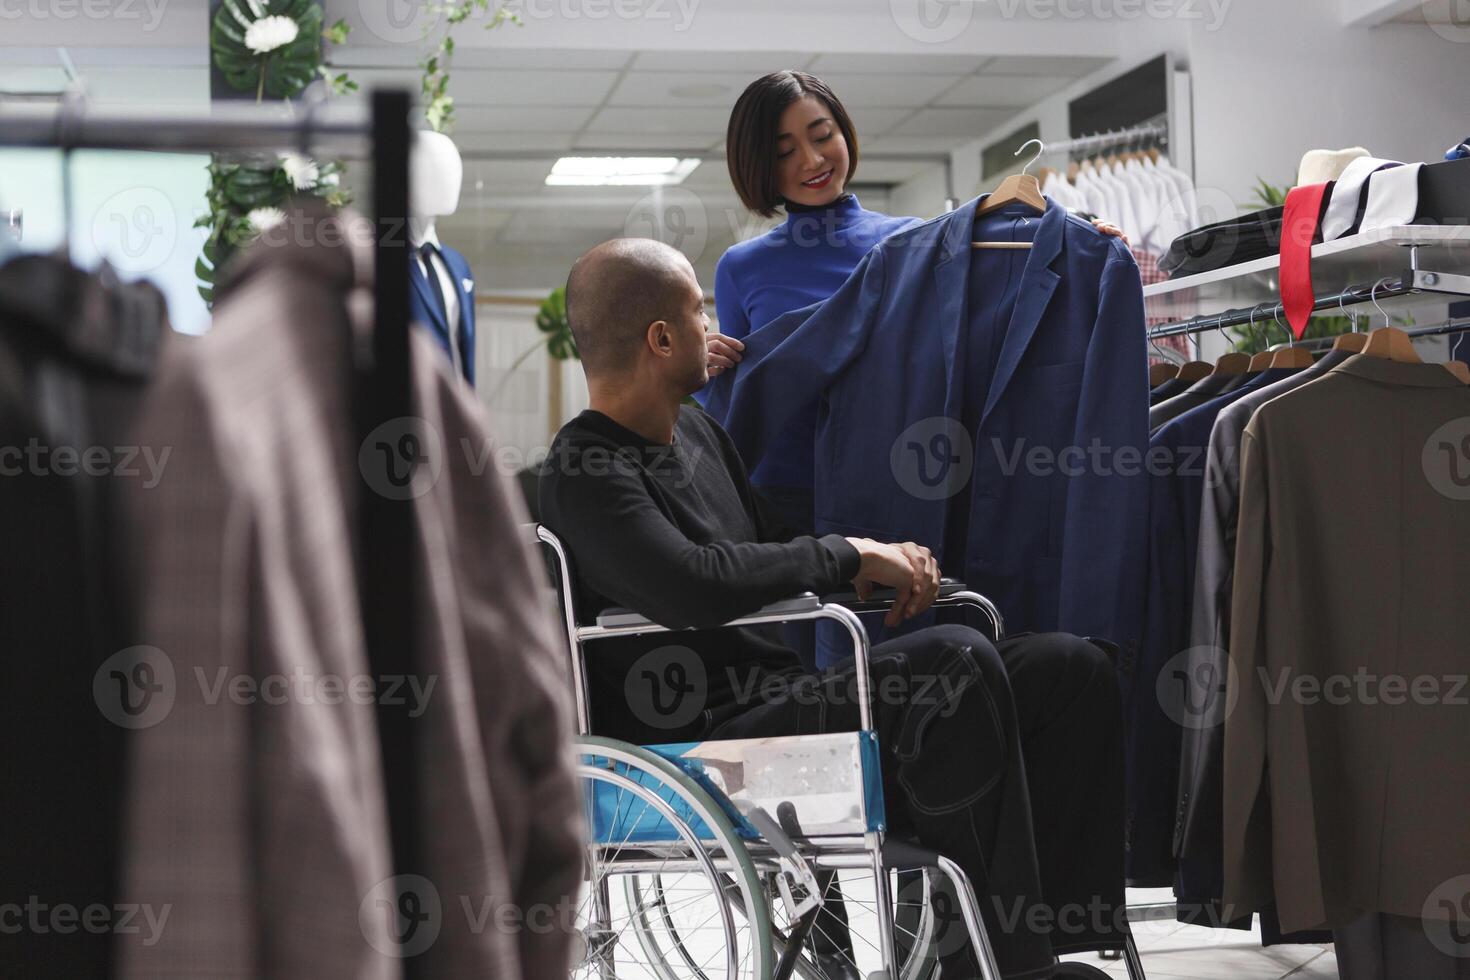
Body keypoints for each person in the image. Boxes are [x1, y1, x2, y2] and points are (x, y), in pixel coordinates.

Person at [539, 237, 1128, 980]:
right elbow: (690, 583)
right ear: (661, 339)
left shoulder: (697, 433)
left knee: (1068, 668)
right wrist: (849, 555)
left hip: (775, 705)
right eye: (698, 310)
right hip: (700, 745)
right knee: (951, 664)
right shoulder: (586, 468)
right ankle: (1000, 969)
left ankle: (1049, 940)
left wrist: (884, 559)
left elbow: (773, 542)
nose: (710, 323)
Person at [700, 70, 1127, 530]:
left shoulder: (916, 242)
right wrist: (702, 366)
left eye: (824, 136)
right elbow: (737, 398)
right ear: (759, 164)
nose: (813, 159)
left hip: (894, 485)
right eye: (786, 152)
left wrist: (1084, 247)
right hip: (784, 497)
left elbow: (1002, 298)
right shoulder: (741, 267)